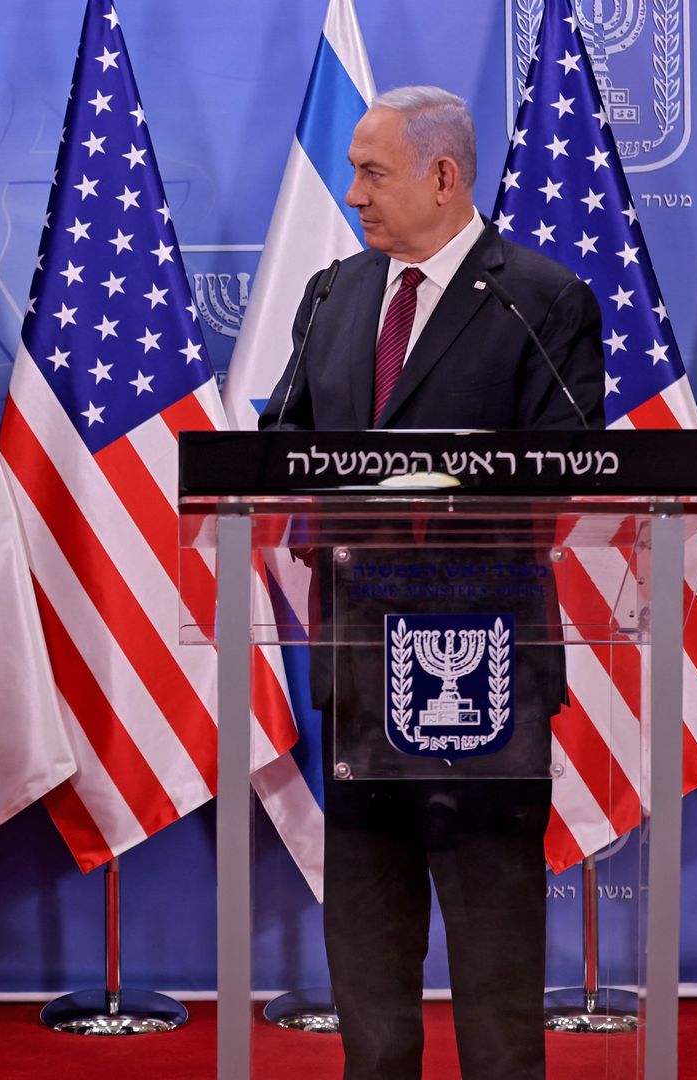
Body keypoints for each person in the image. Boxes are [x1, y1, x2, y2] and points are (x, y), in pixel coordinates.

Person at [260, 86, 605, 1080]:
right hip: (359, 667)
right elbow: (284, 449)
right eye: (355, 170)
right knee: (367, 960)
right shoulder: (333, 294)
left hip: (482, 678)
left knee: (495, 966)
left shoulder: (543, 300)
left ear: (444, 177)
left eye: (374, 171)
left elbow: (561, 478)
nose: (354, 192)